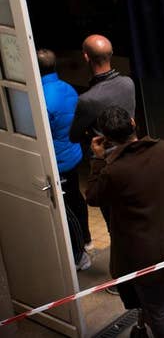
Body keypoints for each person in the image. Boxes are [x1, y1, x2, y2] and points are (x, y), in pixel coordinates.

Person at [85, 107, 164, 338]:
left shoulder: (113, 171)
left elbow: (93, 197)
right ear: (134, 123)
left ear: (106, 139)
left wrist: (97, 159)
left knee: (157, 307)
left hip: (143, 253)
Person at [38, 49, 90, 270]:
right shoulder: (68, 88)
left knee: (66, 208)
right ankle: (86, 237)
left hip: (58, 161)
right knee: (76, 198)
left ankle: (79, 255)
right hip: (73, 154)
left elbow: (42, 132)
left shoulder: (41, 98)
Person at [69, 34, 136, 143]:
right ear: (111, 53)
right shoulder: (128, 83)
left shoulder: (87, 100)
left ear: (86, 57)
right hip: (130, 147)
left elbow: (74, 137)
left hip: (106, 155)